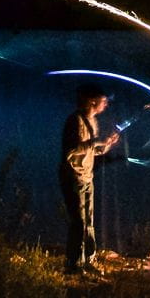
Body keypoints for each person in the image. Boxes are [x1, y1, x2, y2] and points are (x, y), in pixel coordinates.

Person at [58, 83, 120, 274]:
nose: (106, 105)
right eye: (103, 101)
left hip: (87, 177)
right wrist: (94, 142)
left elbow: (94, 150)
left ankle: (88, 261)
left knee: (89, 221)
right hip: (73, 177)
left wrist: (107, 144)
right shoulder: (74, 121)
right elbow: (71, 151)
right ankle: (74, 264)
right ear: (92, 101)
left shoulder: (93, 121)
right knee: (78, 222)